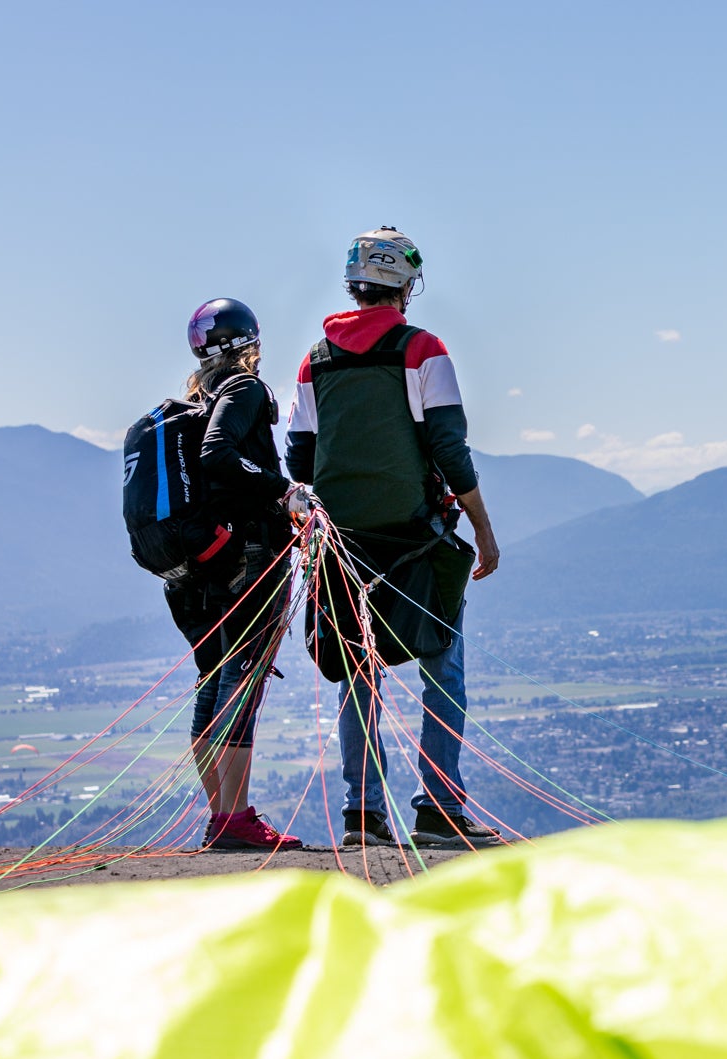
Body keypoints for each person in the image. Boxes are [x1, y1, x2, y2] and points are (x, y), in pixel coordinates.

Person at [285, 228, 502, 849]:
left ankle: (363, 814)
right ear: (407, 285)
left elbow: (300, 457)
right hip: (417, 538)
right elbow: (448, 449)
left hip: (341, 544)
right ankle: (438, 807)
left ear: (354, 283)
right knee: (443, 664)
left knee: (359, 672)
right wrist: (483, 529)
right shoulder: (422, 350)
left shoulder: (314, 360)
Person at [169, 298, 308, 851]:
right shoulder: (244, 390)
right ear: (250, 342)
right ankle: (236, 817)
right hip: (249, 556)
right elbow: (219, 455)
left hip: (200, 562)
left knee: (213, 678)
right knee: (240, 680)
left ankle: (222, 816)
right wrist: (283, 489)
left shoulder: (194, 399)